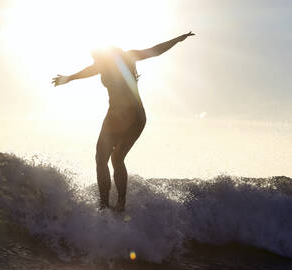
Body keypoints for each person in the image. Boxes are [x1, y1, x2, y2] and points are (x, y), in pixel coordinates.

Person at [53, 32, 194, 212]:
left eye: (94, 54)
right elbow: (154, 51)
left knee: (101, 158)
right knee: (117, 158)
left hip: (120, 114)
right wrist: (69, 78)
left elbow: (155, 50)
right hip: (138, 116)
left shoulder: (115, 59)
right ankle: (120, 204)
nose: (93, 58)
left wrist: (177, 39)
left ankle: (104, 205)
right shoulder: (120, 59)